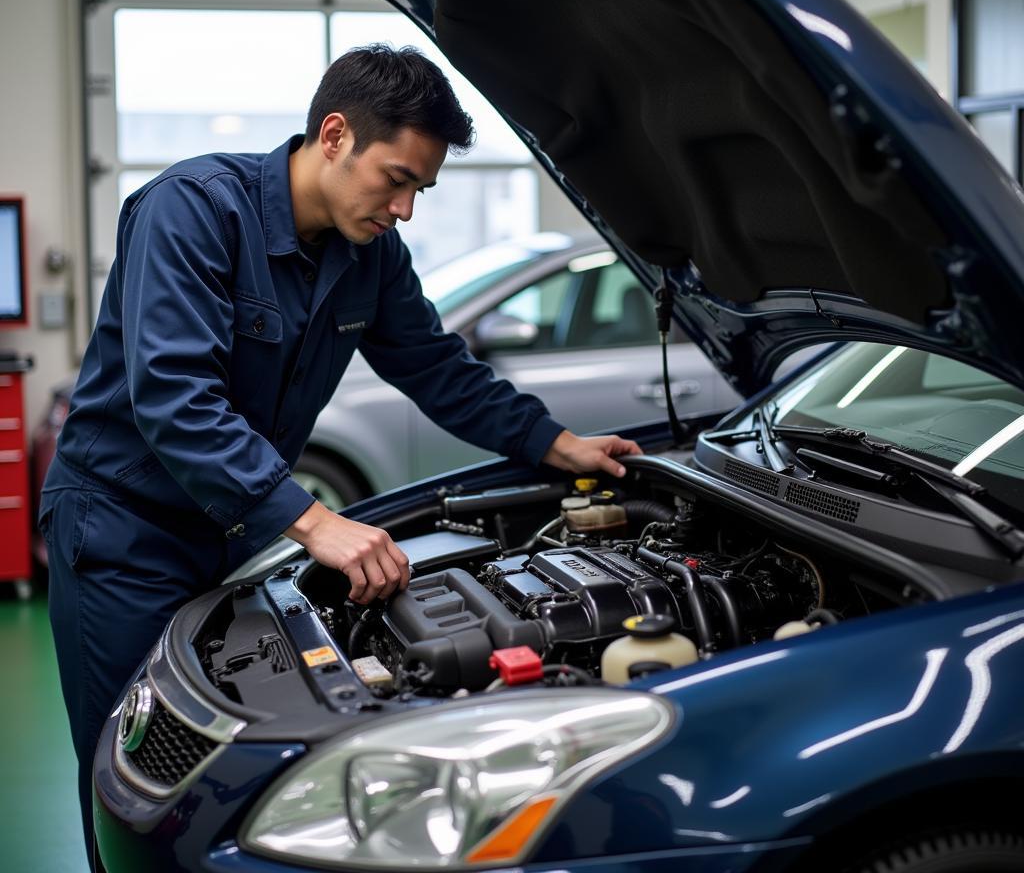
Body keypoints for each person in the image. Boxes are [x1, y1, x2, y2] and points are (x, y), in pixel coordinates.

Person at [39, 44, 641, 864]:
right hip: (121, 530)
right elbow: (174, 400)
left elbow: (437, 367)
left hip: (231, 533)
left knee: (224, 770)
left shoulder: (370, 257)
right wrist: (314, 523)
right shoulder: (192, 211)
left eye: (420, 189)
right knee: (137, 772)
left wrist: (557, 443)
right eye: (395, 178)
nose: (404, 209)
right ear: (333, 135)